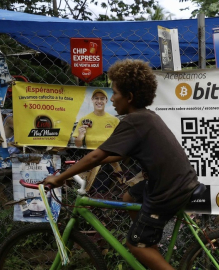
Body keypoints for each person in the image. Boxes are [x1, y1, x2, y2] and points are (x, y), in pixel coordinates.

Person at [45, 59, 200, 270]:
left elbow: (96, 156)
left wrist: (59, 177)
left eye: (115, 93)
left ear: (129, 97)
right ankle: (150, 244)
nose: (112, 98)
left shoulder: (133, 121)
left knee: (134, 245)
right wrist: (86, 165)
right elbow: (112, 155)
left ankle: (144, 246)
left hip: (168, 190)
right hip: (175, 181)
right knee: (129, 196)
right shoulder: (146, 117)